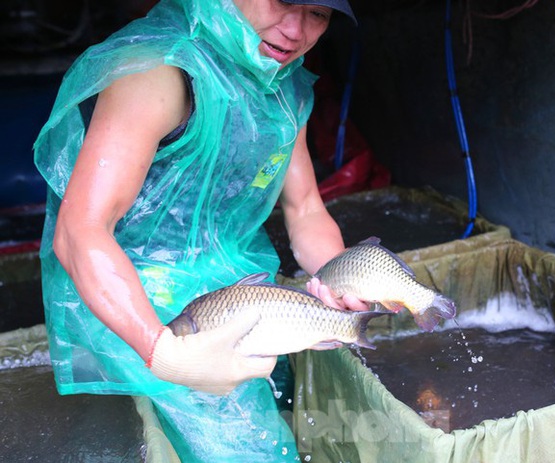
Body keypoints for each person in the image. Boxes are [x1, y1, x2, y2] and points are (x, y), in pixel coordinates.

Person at [34, 0, 365, 461]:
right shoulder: (160, 70)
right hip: (137, 309)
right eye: (284, 2)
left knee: (284, 407)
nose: (295, 30)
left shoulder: (284, 87)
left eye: (319, 15)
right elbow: (79, 231)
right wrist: (166, 353)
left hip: (238, 295)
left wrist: (341, 278)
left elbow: (306, 209)